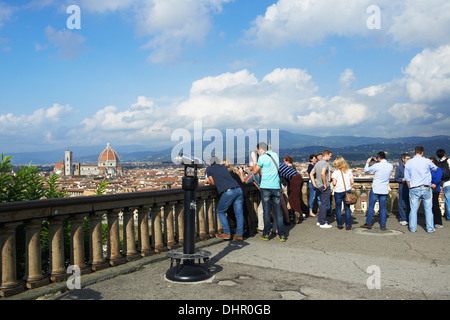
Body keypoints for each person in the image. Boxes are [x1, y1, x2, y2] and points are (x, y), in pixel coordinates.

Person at [253, 142, 287, 242]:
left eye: (258, 150)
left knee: (266, 211)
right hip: (276, 186)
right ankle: (282, 235)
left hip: (265, 187)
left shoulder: (262, 157)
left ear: (260, 150)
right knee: (278, 211)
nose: (258, 152)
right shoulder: (275, 155)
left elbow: (255, 171)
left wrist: (255, 159)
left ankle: (266, 234)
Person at [206, 156, 245, 241]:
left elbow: (212, 182)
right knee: (239, 214)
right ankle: (239, 235)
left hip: (228, 192)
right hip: (238, 189)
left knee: (220, 212)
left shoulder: (209, 169)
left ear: (210, 163)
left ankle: (227, 233)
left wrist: (209, 182)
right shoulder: (223, 167)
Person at [404, 146, 438, 233]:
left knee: (413, 209)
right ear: (422, 152)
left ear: (415, 152)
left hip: (414, 187)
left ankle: (412, 228)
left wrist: (409, 188)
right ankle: (430, 228)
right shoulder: (427, 161)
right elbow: (435, 169)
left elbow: (407, 178)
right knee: (428, 209)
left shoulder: (409, 162)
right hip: (426, 188)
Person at [360, 151, 393, 231]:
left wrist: (368, 162)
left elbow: (366, 170)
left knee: (371, 207)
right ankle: (383, 225)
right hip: (384, 189)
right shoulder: (390, 166)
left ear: (378, 158)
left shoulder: (377, 165)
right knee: (382, 208)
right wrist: (377, 161)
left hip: (375, 189)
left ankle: (368, 223)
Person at [309, 149, 333, 228]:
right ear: (326, 155)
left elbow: (311, 173)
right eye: (330, 156)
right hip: (324, 186)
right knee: (324, 204)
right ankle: (322, 223)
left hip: (318, 186)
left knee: (322, 203)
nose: (330, 158)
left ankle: (320, 221)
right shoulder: (325, 163)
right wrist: (325, 184)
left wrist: (314, 183)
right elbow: (323, 173)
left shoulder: (318, 163)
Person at [331, 157, 354, 230]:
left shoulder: (336, 172)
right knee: (347, 208)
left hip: (338, 191)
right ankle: (348, 225)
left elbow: (334, 183)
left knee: (338, 208)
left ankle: (339, 224)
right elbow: (352, 182)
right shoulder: (349, 171)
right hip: (347, 191)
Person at [394, 153, 411, 226]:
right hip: (403, 186)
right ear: (403, 159)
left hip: (410, 186)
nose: (409, 160)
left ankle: (409, 218)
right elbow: (396, 178)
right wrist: (403, 179)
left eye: (409, 158)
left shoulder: (411, 167)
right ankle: (403, 218)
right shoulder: (399, 168)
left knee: (410, 204)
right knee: (402, 203)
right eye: (407, 159)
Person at [436, 149, 450, 221]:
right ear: (444, 154)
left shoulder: (438, 164)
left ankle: (448, 216)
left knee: (447, 200)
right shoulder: (448, 160)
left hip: (445, 183)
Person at [429, 157, 443, 228]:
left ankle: (438, 222)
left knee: (435, 204)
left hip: (435, 189)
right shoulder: (429, 170)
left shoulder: (438, 169)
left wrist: (432, 183)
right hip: (429, 188)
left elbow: (438, 179)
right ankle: (430, 221)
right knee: (429, 205)